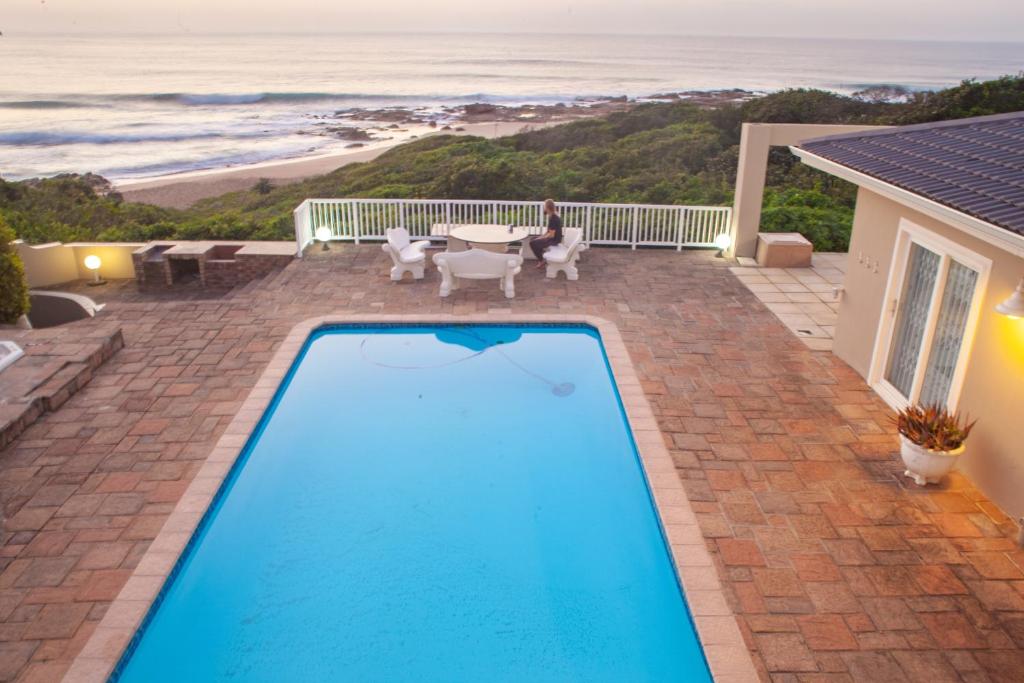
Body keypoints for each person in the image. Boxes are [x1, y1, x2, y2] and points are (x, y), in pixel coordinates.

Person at [530, 198, 563, 268]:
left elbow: (551, 235)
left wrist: (541, 238)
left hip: (554, 240)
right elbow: (548, 231)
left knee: (533, 243)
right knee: (533, 239)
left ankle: (541, 260)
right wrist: (540, 237)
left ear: (548, 207)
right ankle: (542, 258)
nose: (544, 208)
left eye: (544, 206)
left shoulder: (554, 218)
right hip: (552, 238)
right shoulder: (551, 216)